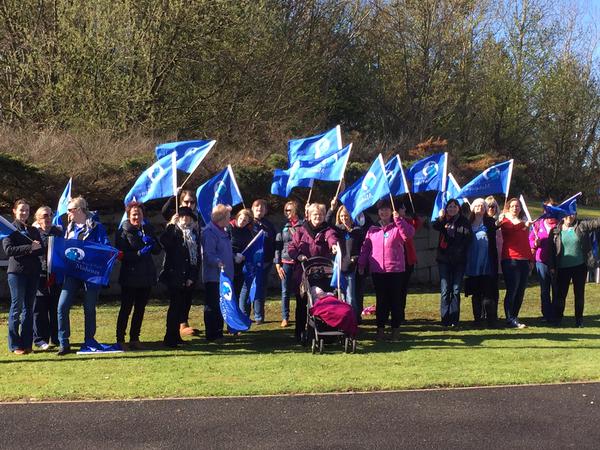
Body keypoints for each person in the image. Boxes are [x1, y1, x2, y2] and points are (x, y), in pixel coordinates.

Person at [56, 196, 110, 355]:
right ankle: (63, 342)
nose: (68, 214)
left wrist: (90, 253)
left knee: (89, 308)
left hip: (90, 273)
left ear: (79, 210)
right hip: (72, 273)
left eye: (70, 210)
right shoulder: (69, 228)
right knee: (62, 305)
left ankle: (89, 340)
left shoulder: (96, 227)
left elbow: (105, 247)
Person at [358, 199, 415, 340]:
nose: (384, 212)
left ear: (391, 211)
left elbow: (408, 235)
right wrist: (361, 264)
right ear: (378, 212)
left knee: (396, 301)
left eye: (387, 209)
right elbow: (365, 248)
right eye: (381, 210)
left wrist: (399, 220)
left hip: (396, 270)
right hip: (378, 271)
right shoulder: (372, 229)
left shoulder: (398, 226)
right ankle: (380, 329)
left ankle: (395, 329)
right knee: (381, 301)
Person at [287, 203, 338, 342]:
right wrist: (298, 256)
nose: (318, 217)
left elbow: (331, 237)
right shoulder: (301, 231)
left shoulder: (327, 230)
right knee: (302, 304)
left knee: (325, 300)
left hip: (323, 273)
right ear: (309, 216)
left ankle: (325, 330)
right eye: (315, 214)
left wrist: (333, 245)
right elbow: (291, 247)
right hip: (303, 274)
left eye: (320, 214)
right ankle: (299, 332)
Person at [115, 202, 161, 350]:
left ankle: (135, 338)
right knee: (126, 309)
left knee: (140, 309)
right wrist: (138, 254)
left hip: (146, 275)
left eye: (139, 214)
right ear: (129, 215)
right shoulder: (123, 231)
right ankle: (120, 339)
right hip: (130, 276)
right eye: (134, 214)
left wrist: (152, 243)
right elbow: (120, 255)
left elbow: (157, 251)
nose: (136, 217)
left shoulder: (148, 229)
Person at [2, 199, 43, 354]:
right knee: (16, 308)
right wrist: (29, 247)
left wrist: (34, 248)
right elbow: (9, 250)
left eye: (26, 210)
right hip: (17, 273)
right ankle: (15, 345)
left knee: (28, 309)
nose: (24, 213)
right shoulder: (10, 230)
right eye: (21, 210)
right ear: (14, 211)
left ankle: (27, 344)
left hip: (33, 273)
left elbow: (41, 249)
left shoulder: (33, 230)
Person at [159, 206, 201, 347]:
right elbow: (165, 243)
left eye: (187, 217)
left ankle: (176, 336)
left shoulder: (193, 235)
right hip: (174, 276)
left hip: (187, 278)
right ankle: (170, 337)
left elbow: (195, 258)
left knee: (182, 308)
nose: (185, 219)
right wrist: (170, 225)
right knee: (174, 308)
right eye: (182, 216)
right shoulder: (174, 231)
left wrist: (192, 277)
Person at [548, 213, 600, 327]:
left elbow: (596, 223)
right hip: (562, 268)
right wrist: (551, 267)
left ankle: (579, 320)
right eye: (567, 214)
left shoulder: (582, 225)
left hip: (579, 267)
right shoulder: (555, 231)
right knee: (560, 295)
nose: (570, 217)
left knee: (579, 294)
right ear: (562, 215)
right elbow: (551, 252)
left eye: (573, 214)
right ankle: (558, 318)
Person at [432, 198, 472, 327]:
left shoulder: (464, 222)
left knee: (455, 290)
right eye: (450, 206)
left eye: (454, 206)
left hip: (459, 261)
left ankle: (454, 319)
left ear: (458, 208)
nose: (452, 209)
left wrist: (460, 249)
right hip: (444, 260)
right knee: (445, 290)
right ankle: (445, 318)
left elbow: (468, 239)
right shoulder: (443, 220)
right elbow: (435, 226)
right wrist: (440, 217)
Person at [326, 199, 365, 322]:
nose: (344, 218)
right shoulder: (338, 230)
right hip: (339, 267)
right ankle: (342, 319)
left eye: (347, 216)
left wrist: (356, 258)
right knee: (339, 296)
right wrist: (332, 208)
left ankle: (352, 320)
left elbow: (363, 248)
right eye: (342, 216)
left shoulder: (358, 231)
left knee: (351, 297)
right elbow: (326, 222)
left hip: (351, 268)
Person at [463, 198, 499, 327]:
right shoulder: (467, 223)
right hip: (472, 263)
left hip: (487, 263)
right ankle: (477, 320)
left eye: (482, 206)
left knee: (489, 293)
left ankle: (491, 319)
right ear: (472, 208)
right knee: (476, 293)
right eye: (477, 205)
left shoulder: (490, 222)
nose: (480, 207)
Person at [201, 204, 234, 342]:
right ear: (221, 218)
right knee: (213, 305)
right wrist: (218, 262)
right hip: (214, 276)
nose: (230, 219)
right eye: (228, 216)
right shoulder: (210, 232)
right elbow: (208, 254)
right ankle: (212, 334)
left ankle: (219, 333)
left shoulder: (223, 231)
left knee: (222, 305)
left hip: (225, 276)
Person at [499, 197, 533, 329]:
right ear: (508, 207)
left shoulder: (523, 222)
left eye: (517, 206)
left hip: (524, 260)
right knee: (512, 289)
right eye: (512, 206)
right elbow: (510, 230)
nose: (515, 208)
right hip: (510, 259)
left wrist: (530, 259)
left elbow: (526, 243)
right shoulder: (505, 220)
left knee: (520, 291)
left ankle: (515, 316)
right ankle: (509, 318)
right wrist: (524, 225)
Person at [32, 206, 62, 350]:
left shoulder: (59, 233)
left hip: (56, 275)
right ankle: (40, 339)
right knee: (39, 309)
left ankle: (56, 338)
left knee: (55, 308)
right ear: (38, 219)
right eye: (44, 215)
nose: (48, 218)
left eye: (50, 215)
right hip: (40, 275)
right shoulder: (33, 234)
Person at [244, 199, 276, 324]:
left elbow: (273, 241)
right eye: (257, 208)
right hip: (250, 263)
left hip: (265, 262)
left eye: (262, 208)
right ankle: (245, 314)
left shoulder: (269, 225)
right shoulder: (248, 223)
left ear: (265, 211)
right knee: (247, 289)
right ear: (252, 209)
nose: (259, 210)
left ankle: (259, 316)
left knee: (260, 289)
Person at [274, 201, 303, 328]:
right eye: (286, 210)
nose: (287, 212)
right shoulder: (283, 226)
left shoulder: (303, 225)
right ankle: (285, 317)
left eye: (289, 210)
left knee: (300, 291)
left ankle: (301, 315)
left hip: (298, 262)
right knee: (285, 291)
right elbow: (278, 246)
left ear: (296, 210)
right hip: (285, 261)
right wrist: (277, 264)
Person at [529, 202, 559, 322]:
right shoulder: (537, 224)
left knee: (556, 289)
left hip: (556, 262)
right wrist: (534, 243)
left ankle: (556, 314)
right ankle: (546, 315)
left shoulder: (559, 224)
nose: (549, 211)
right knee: (544, 290)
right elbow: (530, 239)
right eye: (547, 209)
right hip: (541, 261)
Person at [398, 203, 423, 324]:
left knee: (403, 288)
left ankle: (400, 313)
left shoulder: (406, 221)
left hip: (408, 260)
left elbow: (416, 226)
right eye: (402, 208)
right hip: (396, 260)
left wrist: (415, 217)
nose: (405, 209)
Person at [227, 208, 253, 303]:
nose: (242, 221)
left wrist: (245, 256)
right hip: (228, 263)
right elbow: (224, 246)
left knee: (237, 291)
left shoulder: (247, 231)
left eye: (245, 220)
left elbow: (249, 246)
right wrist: (234, 256)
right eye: (241, 218)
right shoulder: (228, 227)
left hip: (241, 265)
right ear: (237, 217)